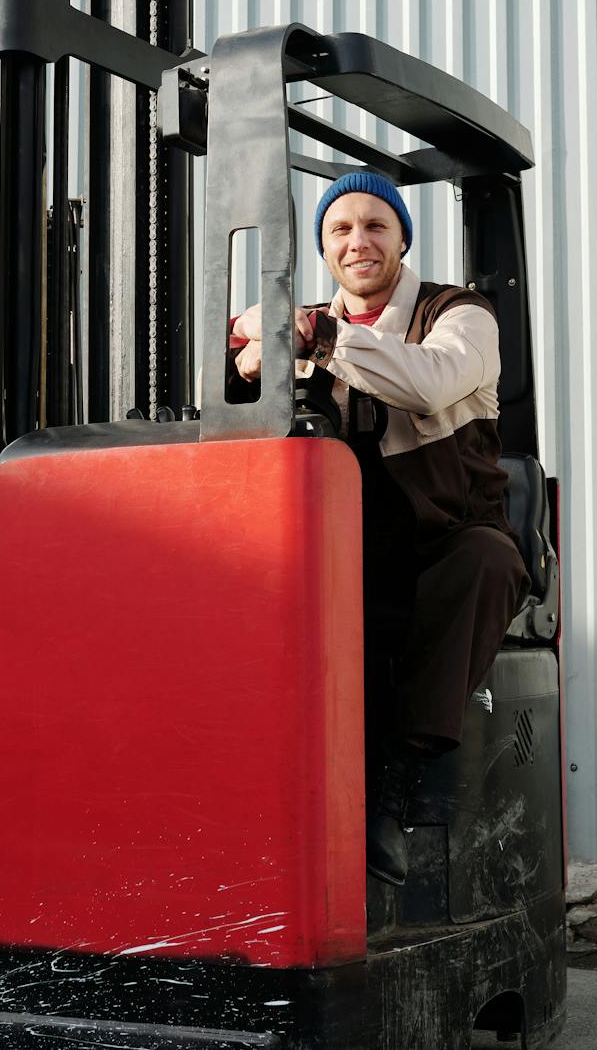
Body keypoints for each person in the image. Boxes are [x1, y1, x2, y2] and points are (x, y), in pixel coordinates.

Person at [227, 171, 529, 886]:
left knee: (485, 560)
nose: (358, 241)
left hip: (446, 540)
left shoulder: (459, 315)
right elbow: (241, 404)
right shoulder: (300, 320)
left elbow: (426, 381)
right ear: (325, 247)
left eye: (374, 226)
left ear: (401, 237)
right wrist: (240, 362)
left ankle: (397, 782)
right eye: (341, 229)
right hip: (348, 550)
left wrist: (319, 340)